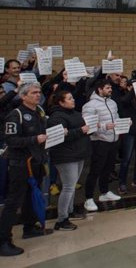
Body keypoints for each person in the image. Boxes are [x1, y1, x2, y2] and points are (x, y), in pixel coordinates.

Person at [0, 82, 51, 257]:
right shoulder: (16, 115)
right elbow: (12, 141)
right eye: (33, 92)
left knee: (31, 196)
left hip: (36, 161)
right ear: (23, 96)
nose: (38, 95)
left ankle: (29, 227)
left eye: (39, 92)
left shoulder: (39, 112)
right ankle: (3, 241)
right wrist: (34, 139)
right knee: (13, 202)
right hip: (20, 164)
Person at [46, 91, 90, 231]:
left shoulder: (75, 113)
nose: (73, 100)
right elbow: (60, 136)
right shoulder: (56, 117)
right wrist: (80, 131)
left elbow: (78, 129)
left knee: (71, 185)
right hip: (65, 156)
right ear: (61, 102)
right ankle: (61, 219)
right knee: (68, 187)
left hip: (78, 153)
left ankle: (70, 211)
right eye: (70, 98)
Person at [83, 79, 124, 212]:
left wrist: (123, 124)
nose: (110, 90)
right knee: (95, 170)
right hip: (99, 141)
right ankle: (88, 198)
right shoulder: (90, 105)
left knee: (108, 169)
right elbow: (88, 125)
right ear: (99, 89)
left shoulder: (112, 103)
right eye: (107, 88)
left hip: (113, 140)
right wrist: (104, 127)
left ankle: (104, 192)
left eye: (110, 88)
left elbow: (116, 118)